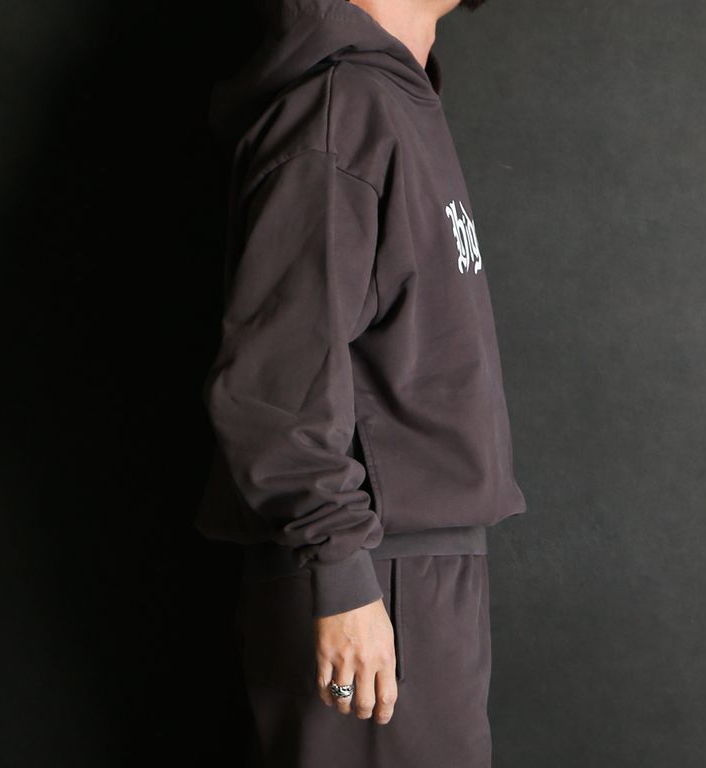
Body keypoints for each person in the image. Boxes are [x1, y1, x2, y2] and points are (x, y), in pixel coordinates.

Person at [195, 0, 527, 764]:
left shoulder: (398, 100)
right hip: (370, 573)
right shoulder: (340, 107)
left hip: (420, 571)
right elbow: (274, 382)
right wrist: (339, 570)